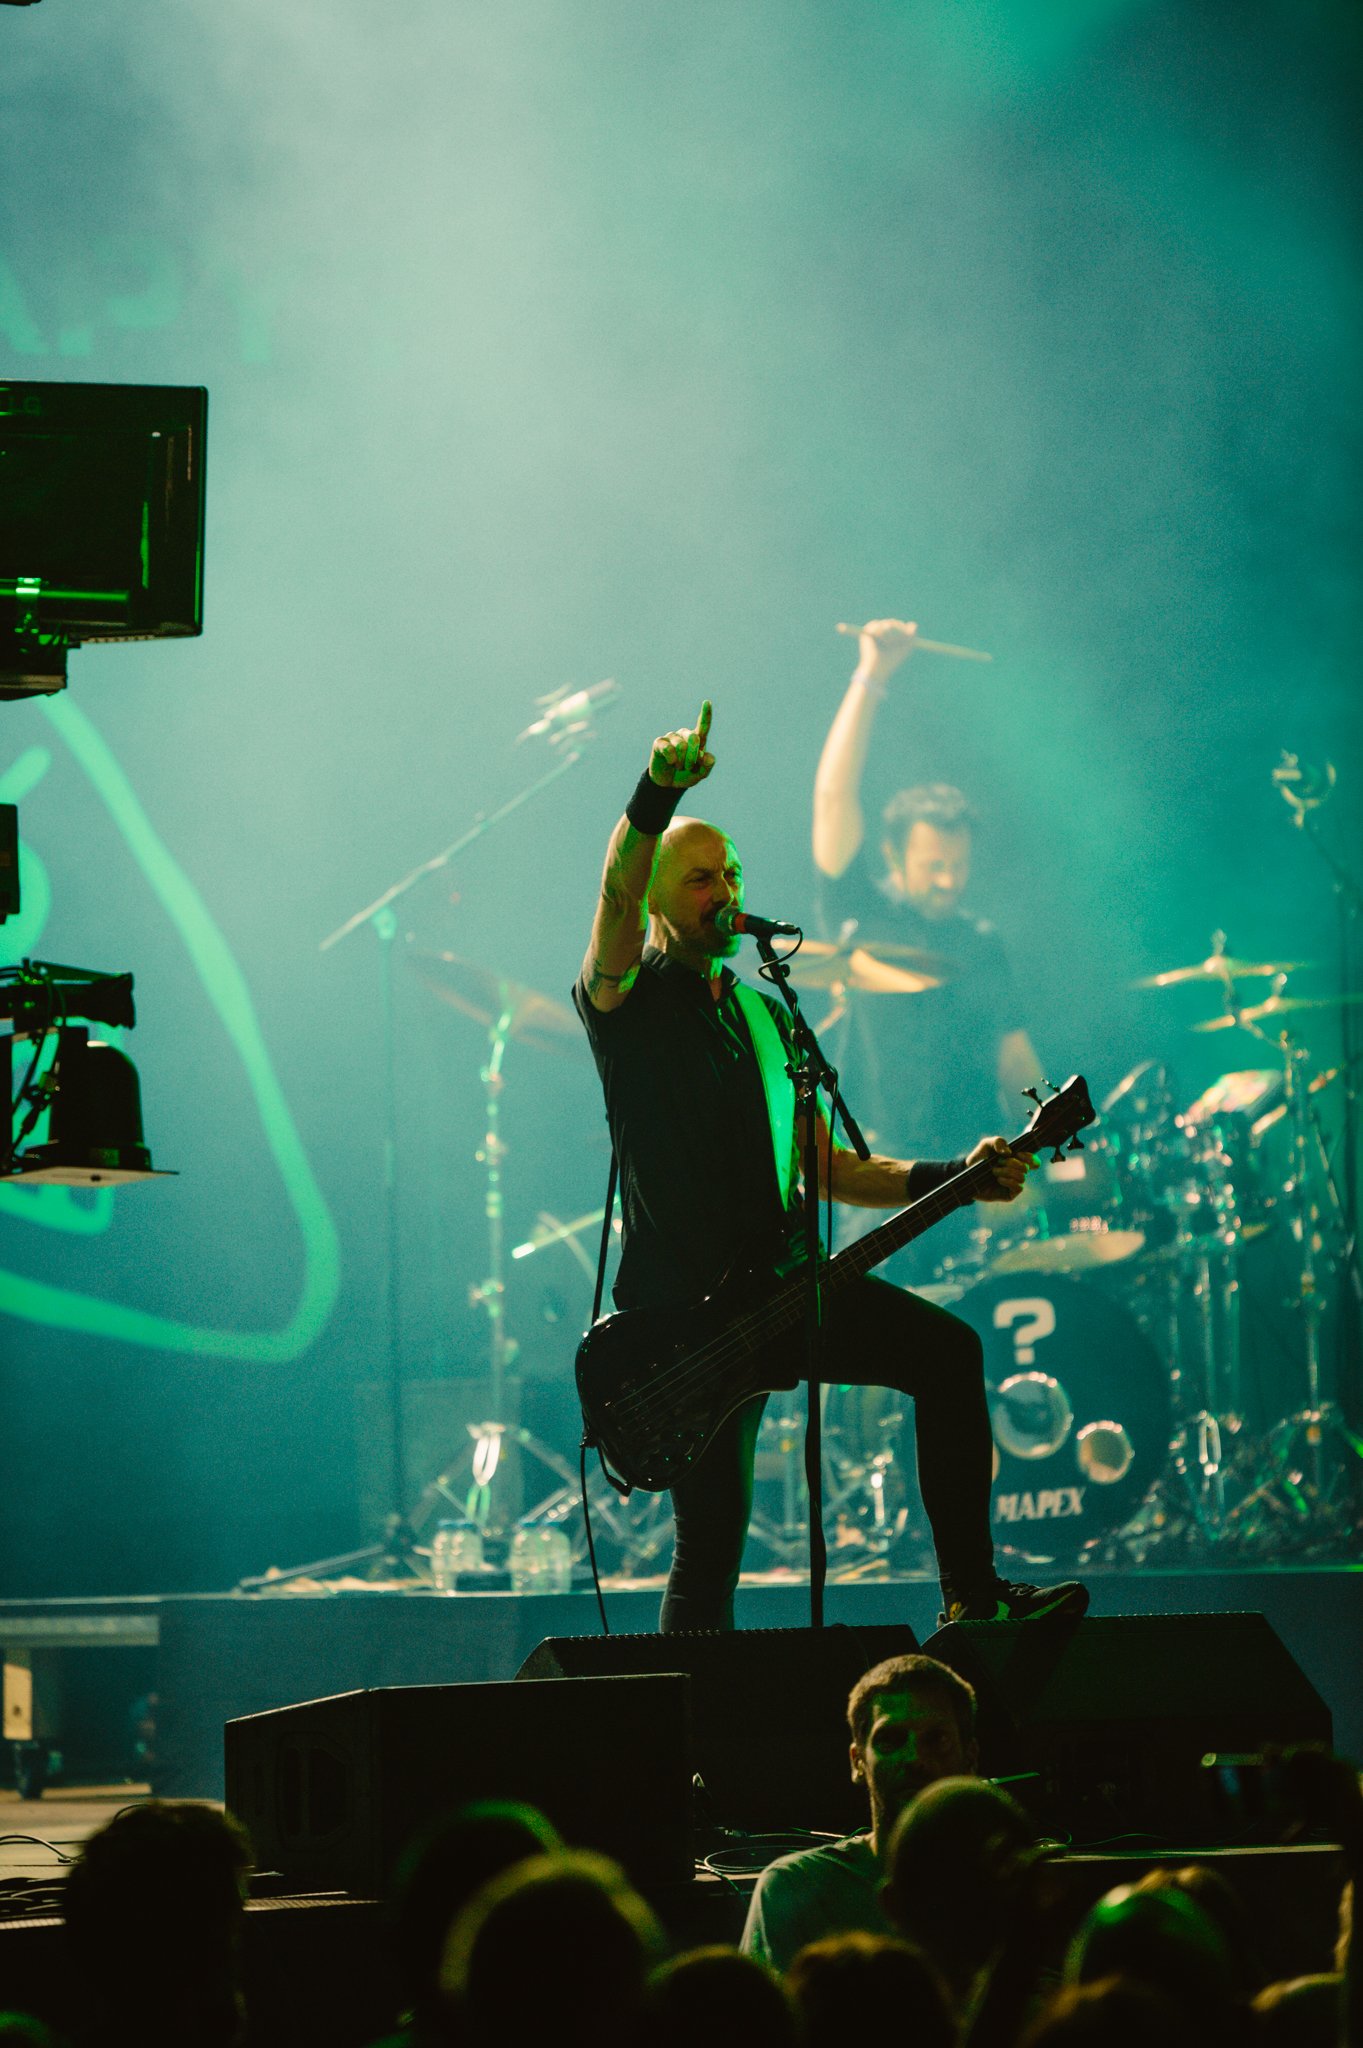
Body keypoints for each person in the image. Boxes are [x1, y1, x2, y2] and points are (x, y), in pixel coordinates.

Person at [574, 699, 1089, 1634]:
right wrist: (655, 793)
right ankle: (685, 1741)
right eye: (699, 877)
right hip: (683, 1315)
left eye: (730, 869)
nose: (722, 886)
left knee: (948, 1352)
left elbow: (830, 1170)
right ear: (656, 894)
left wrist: (956, 1173)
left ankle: (973, 1600)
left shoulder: (765, 1016)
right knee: (714, 1538)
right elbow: (612, 896)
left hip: (779, 1291)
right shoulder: (628, 1003)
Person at [812, 620, 1044, 1278]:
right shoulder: (858, 911)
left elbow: (1018, 1060)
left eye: (958, 864)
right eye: (933, 864)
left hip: (970, 1172)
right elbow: (833, 799)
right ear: (893, 855)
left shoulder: (980, 941)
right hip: (879, 1177)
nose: (948, 878)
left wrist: (1042, 1153)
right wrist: (871, 675)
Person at [741, 1653, 979, 1970]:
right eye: (891, 1740)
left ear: (971, 1756)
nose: (913, 1758)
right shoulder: (797, 1888)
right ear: (857, 1761)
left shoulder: (1011, 1883)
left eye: (937, 1739)